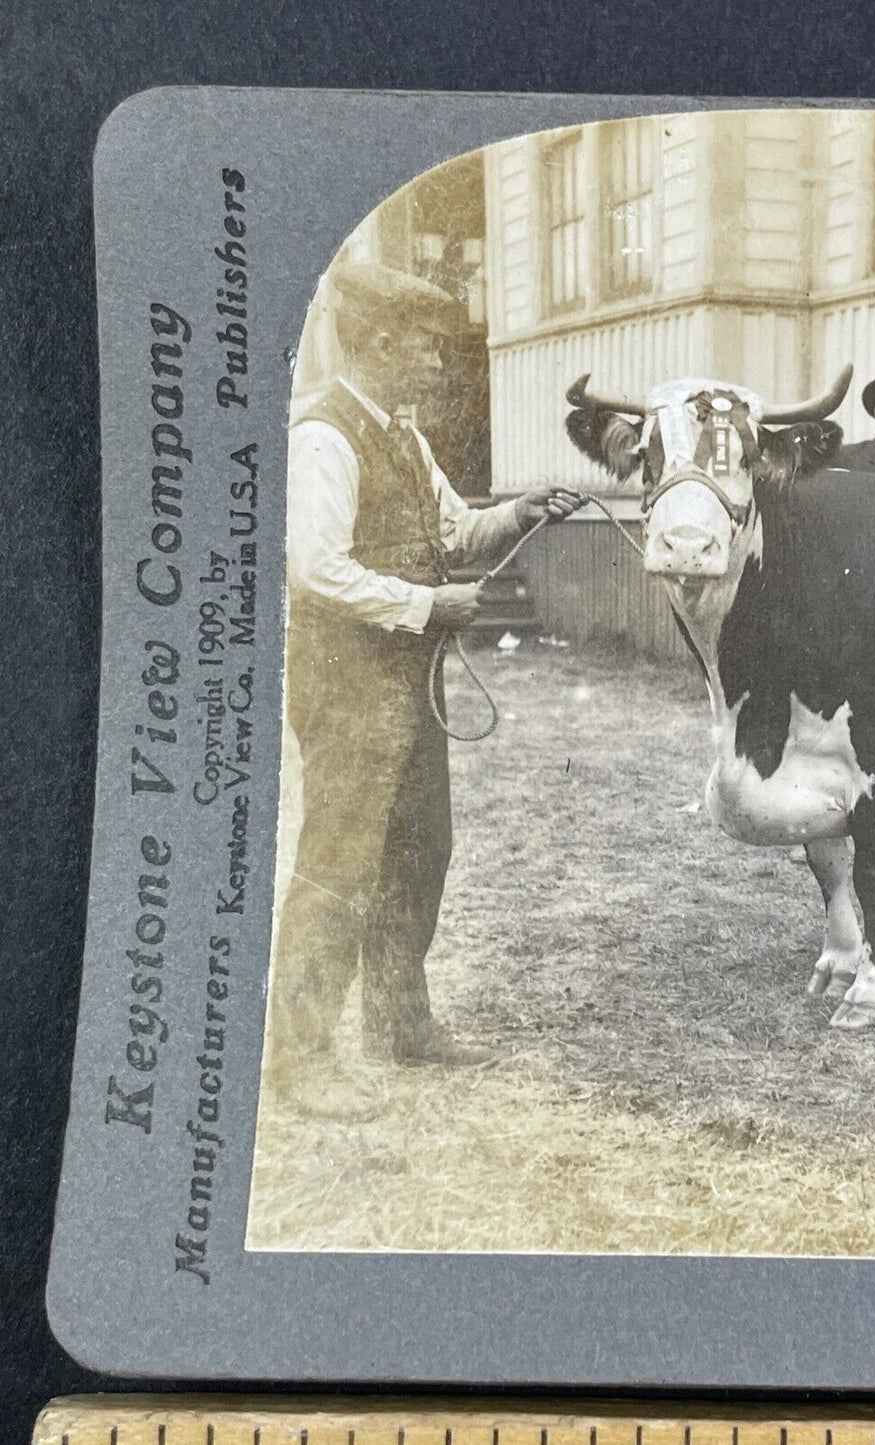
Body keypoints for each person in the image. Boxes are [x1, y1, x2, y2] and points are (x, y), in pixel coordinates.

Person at [270, 260, 583, 1122]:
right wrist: (427, 603)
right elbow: (314, 568)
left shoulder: (403, 437)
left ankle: (399, 1025)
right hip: (346, 686)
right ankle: (301, 1059)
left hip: (411, 685)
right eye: (425, 349)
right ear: (375, 343)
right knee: (339, 865)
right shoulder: (322, 436)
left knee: (421, 848)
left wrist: (518, 513)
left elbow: (455, 528)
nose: (440, 366)